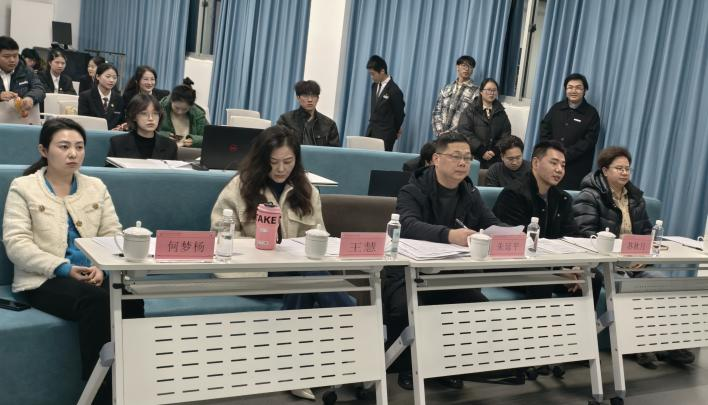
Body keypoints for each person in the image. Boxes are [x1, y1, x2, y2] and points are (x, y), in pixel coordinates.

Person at [2, 118, 143, 405]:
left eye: (79, 147)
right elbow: (16, 244)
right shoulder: (24, 187)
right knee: (96, 302)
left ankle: (134, 386)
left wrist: (102, 267)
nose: (73, 154)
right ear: (44, 150)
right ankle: (101, 394)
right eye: (64, 146)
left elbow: (113, 235)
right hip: (45, 278)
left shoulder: (95, 186)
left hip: (94, 274)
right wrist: (64, 268)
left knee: (131, 298)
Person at [210, 125, 353, 401]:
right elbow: (220, 235)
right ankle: (358, 330)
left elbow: (319, 234)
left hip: (296, 273)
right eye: (273, 162)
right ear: (261, 159)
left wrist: (301, 251)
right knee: (306, 277)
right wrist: (262, 250)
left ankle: (292, 370)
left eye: (288, 162)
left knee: (303, 278)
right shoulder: (240, 187)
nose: (280, 169)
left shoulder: (307, 190)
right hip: (251, 272)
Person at [386, 133, 502, 390]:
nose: (463, 163)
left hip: (450, 276)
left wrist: (512, 236)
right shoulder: (412, 189)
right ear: (436, 159)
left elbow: (491, 223)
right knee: (406, 308)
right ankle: (407, 367)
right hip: (409, 275)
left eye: (468, 158)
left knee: (477, 306)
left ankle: (446, 366)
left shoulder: (470, 192)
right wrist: (449, 235)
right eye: (456, 156)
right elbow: (407, 225)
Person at [572, 146, 695, 368]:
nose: (624, 173)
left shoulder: (636, 198)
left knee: (661, 283)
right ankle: (637, 347)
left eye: (627, 168)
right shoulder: (589, 196)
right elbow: (585, 234)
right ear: (605, 170)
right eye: (619, 168)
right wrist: (615, 253)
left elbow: (647, 232)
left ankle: (671, 343)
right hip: (604, 263)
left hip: (634, 262)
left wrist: (644, 257)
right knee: (627, 287)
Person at [539, 73, 600, 190]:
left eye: (578, 88)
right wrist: (550, 150)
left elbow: (589, 141)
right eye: (570, 87)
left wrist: (565, 155)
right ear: (565, 90)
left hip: (575, 168)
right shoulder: (556, 108)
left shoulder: (592, 114)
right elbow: (544, 129)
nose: (573, 91)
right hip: (551, 161)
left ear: (585, 91)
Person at [457, 78, 511, 169]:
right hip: (474, 157)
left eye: (494, 90)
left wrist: (495, 150)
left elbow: (506, 134)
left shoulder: (501, 112)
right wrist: (481, 150)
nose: (491, 93)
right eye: (488, 90)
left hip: (494, 158)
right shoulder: (470, 110)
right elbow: (464, 131)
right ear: (481, 92)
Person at [107, 93, 177, 160]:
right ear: (134, 116)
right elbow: (110, 168)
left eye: (155, 113)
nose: (151, 118)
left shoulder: (170, 146)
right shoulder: (117, 143)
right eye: (144, 114)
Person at [276, 80, 340, 147]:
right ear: (298, 98)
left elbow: (334, 150)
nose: (310, 100)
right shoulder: (285, 120)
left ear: (318, 98)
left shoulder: (329, 124)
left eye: (313, 96)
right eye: (305, 96)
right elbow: (278, 146)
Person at [431, 55, 479, 137]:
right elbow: (436, 112)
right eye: (464, 65)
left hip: (460, 136)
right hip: (441, 136)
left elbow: (472, 117)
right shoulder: (446, 88)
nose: (467, 69)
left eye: (470, 67)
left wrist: (450, 133)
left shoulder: (476, 91)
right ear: (457, 67)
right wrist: (440, 132)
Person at [365, 55, 405, 151]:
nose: (371, 77)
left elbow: (399, 115)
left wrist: (395, 131)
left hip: (386, 136)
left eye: (373, 74)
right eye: (370, 74)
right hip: (371, 132)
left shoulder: (395, 91)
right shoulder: (374, 86)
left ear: (382, 71)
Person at [0, 36, 45, 117]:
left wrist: (30, 98)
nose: (12, 60)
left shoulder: (26, 70)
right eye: (6, 56)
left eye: (15, 56)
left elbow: (39, 88)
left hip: (21, 119)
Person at [158, 77, 207, 147]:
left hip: (189, 152)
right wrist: (164, 136)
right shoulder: (159, 109)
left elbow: (209, 137)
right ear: (171, 100)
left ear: (191, 106)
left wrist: (195, 141)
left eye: (185, 109)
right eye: (176, 108)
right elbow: (146, 131)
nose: (180, 112)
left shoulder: (198, 114)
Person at [78, 62, 125, 130]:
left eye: (115, 77)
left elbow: (121, 121)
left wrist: (120, 127)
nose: (111, 80)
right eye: (108, 76)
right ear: (98, 77)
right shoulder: (85, 96)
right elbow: (84, 121)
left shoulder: (119, 99)